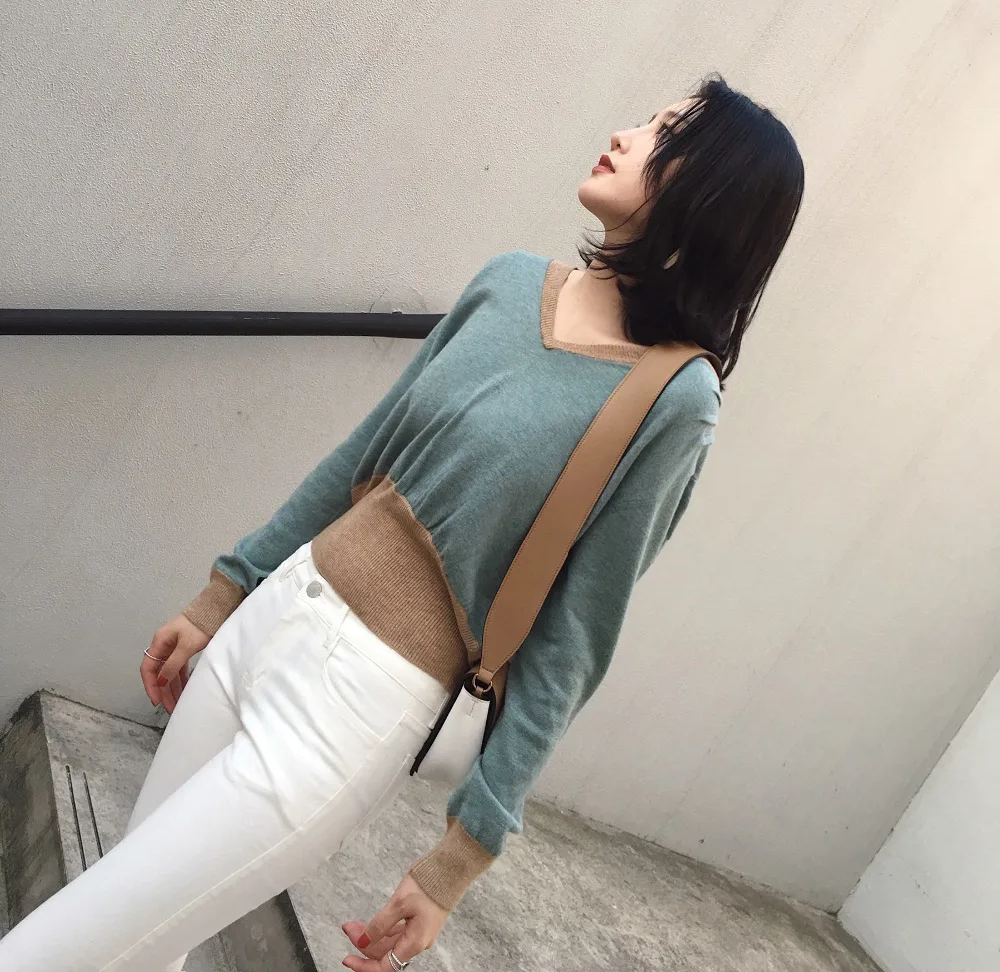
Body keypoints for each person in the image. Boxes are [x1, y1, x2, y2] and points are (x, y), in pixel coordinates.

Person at [0, 73, 804, 971]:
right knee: (135, 950)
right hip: (276, 613)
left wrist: (461, 855)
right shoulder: (508, 283)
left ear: (713, 192)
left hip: (355, 708)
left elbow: (575, 638)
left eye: (663, 131)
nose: (624, 132)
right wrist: (225, 592)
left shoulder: (675, 400)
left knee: (55, 949)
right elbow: (360, 457)